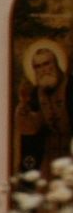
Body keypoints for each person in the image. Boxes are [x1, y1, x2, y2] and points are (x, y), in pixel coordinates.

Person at [16, 42, 73, 176]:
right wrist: (24, 106)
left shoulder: (71, 86)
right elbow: (32, 128)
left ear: (56, 63)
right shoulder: (35, 94)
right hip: (49, 159)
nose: (44, 69)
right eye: (38, 66)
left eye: (47, 63)